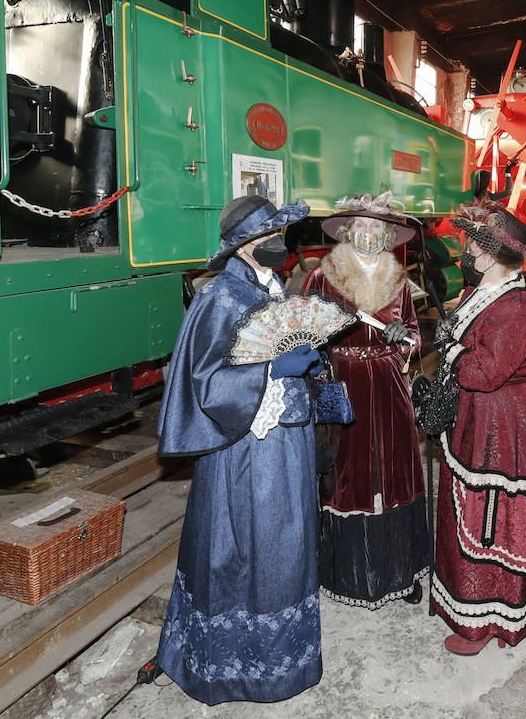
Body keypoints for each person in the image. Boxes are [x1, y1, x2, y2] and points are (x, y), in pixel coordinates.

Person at [156, 196, 324, 704]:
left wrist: (315, 375)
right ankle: (233, 669)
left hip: (286, 445)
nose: (284, 246)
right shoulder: (221, 299)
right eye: (273, 238)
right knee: (246, 546)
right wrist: (273, 369)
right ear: (248, 246)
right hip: (246, 451)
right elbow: (205, 383)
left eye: (284, 236)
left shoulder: (271, 289)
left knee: (287, 545)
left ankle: (281, 663)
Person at [431, 201, 526, 654]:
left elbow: (483, 372)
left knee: (493, 516)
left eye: (468, 244)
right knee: (467, 507)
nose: (462, 251)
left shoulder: (516, 305)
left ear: (486, 255)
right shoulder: (480, 291)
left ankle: (491, 618)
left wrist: (449, 350)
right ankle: (464, 603)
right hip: (478, 417)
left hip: (502, 423)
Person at [303, 192, 430, 609]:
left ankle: (402, 569)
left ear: (389, 234)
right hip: (345, 386)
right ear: (347, 231)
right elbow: (305, 333)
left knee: (396, 473)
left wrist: (406, 339)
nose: (369, 233)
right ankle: (347, 576)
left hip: (391, 385)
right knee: (348, 475)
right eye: (362, 226)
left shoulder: (399, 279)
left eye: (378, 227)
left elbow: (414, 331)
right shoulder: (324, 277)